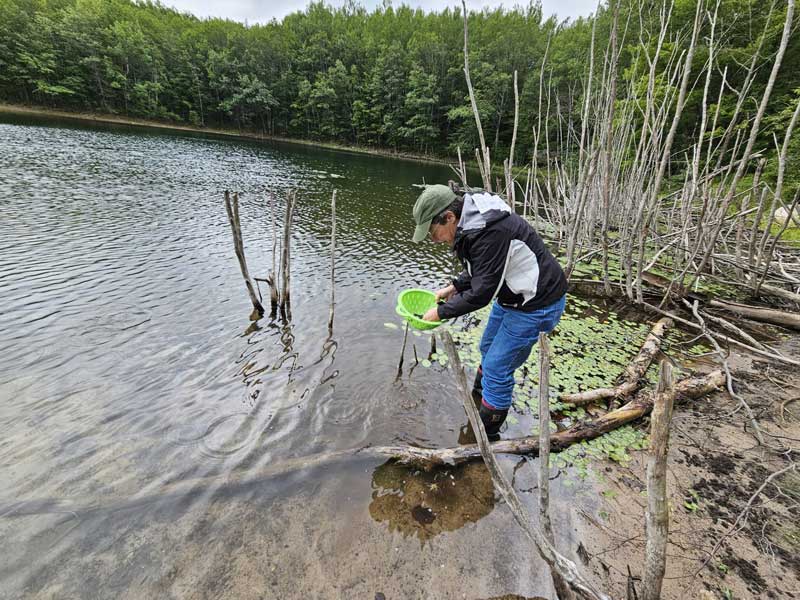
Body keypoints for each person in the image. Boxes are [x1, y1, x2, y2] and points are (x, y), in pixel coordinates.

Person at [411, 183, 568, 440]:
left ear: (449, 217)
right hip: (515, 296)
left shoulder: (491, 231)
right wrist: (455, 286)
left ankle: (483, 437)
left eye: (432, 231)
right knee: (487, 347)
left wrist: (439, 313)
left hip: (537, 303)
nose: (433, 239)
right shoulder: (473, 223)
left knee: (496, 366)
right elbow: (484, 267)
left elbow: (482, 293)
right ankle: (480, 401)